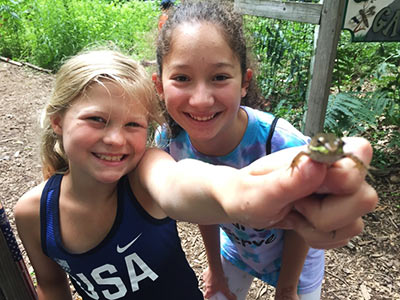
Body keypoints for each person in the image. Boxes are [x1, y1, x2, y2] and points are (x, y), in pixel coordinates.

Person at [14, 48, 364, 300]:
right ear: (58, 121)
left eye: (133, 124)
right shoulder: (33, 214)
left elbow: (180, 183)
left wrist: (239, 192)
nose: (116, 139)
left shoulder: (145, 175)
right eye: (96, 119)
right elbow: (52, 284)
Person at [152, 1, 378, 299]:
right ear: (159, 86)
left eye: (219, 77)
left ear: (244, 82)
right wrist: (215, 269)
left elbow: (301, 226)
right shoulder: (171, 142)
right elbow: (202, 210)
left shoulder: (283, 144)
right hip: (236, 250)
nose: (202, 100)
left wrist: (286, 288)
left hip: (297, 266)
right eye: (182, 78)